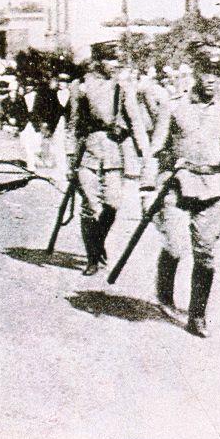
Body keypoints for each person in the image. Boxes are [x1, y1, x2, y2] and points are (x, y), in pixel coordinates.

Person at [140, 42, 220, 338]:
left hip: (212, 187)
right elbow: (156, 148)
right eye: (208, 72)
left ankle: (197, 316)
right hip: (176, 185)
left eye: (219, 72)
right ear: (197, 72)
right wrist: (146, 187)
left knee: (205, 254)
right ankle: (164, 293)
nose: (213, 79)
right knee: (176, 244)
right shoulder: (173, 106)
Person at [64, 43, 149, 276]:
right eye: (110, 60)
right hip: (87, 152)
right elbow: (72, 124)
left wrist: (146, 154)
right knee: (90, 205)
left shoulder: (122, 87)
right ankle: (92, 258)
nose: (115, 65)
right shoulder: (80, 87)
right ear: (98, 61)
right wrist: (70, 156)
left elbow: (136, 122)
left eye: (117, 61)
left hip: (113, 152)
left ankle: (97, 243)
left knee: (112, 203)